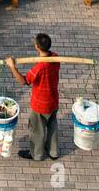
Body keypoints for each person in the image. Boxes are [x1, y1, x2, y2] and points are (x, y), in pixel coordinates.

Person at [5, 33, 60, 161]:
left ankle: (37, 154)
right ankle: (53, 152)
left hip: (40, 105)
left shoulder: (39, 68)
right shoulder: (56, 57)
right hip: (53, 101)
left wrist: (12, 67)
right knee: (52, 126)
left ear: (37, 47)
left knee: (36, 130)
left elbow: (23, 81)